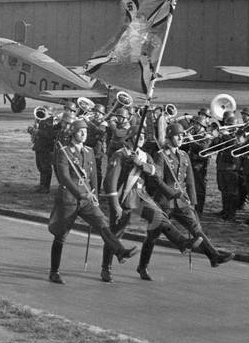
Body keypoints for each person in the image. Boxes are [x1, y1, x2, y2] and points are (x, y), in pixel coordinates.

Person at [101, 129, 197, 283]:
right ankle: (106, 267)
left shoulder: (144, 155)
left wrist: (140, 164)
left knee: (159, 217)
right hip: (123, 197)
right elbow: (110, 182)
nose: (141, 139)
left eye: (144, 137)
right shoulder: (120, 154)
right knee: (116, 233)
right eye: (138, 137)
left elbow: (157, 172)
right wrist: (115, 204)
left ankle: (181, 242)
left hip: (140, 196)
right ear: (129, 139)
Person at [48, 118, 137, 283]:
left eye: (86, 132)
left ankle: (120, 252)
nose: (83, 134)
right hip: (69, 198)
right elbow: (64, 177)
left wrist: (94, 193)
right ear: (73, 133)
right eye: (80, 132)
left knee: (103, 224)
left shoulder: (88, 151)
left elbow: (94, 175)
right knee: (60, 236)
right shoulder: (64, 151)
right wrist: (81, 194)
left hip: (88, 199)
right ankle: (54, 272)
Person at [141, 123, 235, 277]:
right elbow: (158, 179)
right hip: (164, 201)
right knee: (153, 235)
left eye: (182, 135)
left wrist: (194, 202)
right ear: (170, 137)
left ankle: (214, 256)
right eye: (177, 135)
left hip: (182, 201)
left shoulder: (184, 155)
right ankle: (143, 267)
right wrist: (172, 193)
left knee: (196, 228)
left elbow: (190, 181)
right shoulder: (161, 155)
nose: (181, 138)